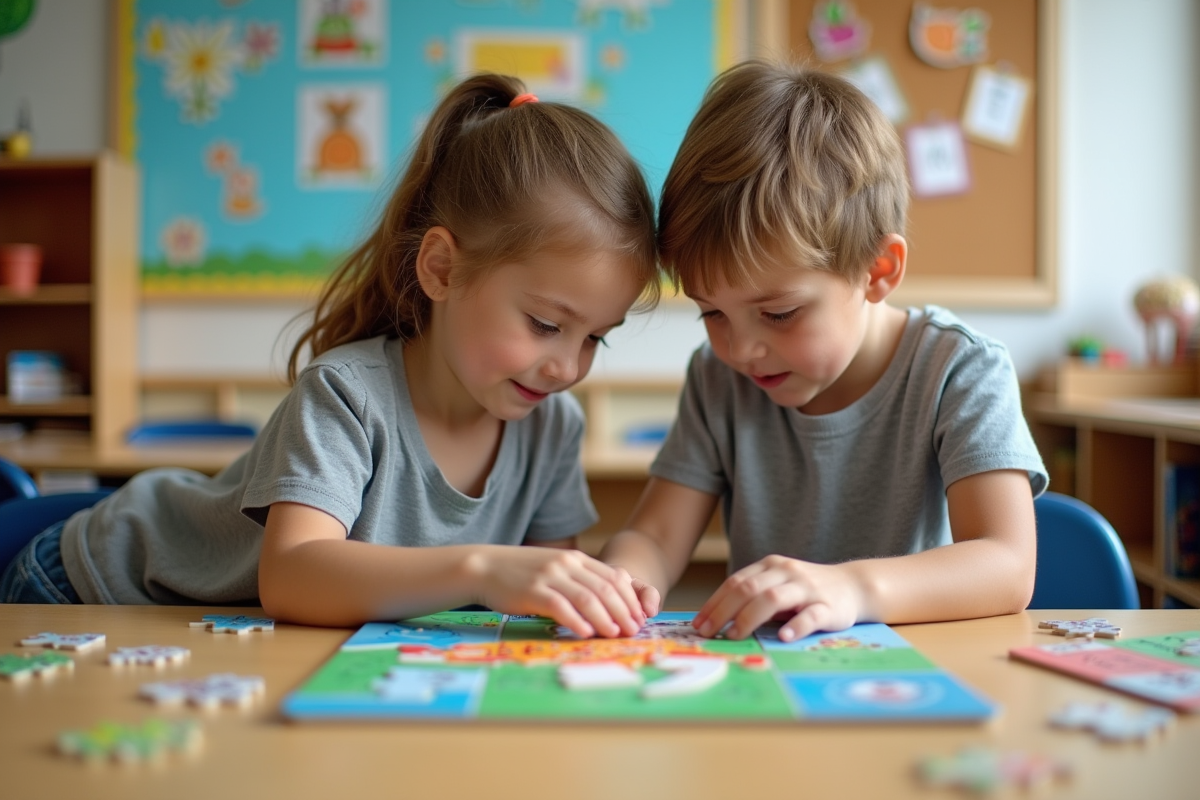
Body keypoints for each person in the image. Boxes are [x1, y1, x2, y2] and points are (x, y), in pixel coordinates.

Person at [2, 75, 659, 639]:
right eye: (546, 324)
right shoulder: (347, 394)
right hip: (95, 585)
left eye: (595, 337)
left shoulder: (553, 427)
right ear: (441, 271)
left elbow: (540, 606)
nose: (569, 367)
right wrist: (484, 568)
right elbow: (294, 576)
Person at [601, 61, 1048, 643]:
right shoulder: (718, 378)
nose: (740, 348)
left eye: (779, 313)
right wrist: (618, 581)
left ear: (877, 271)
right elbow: (657, 537)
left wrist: (852, 589)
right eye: (711, 312)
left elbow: (1007, 565)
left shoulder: (959, 369)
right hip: (772, 685)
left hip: (918, 676)